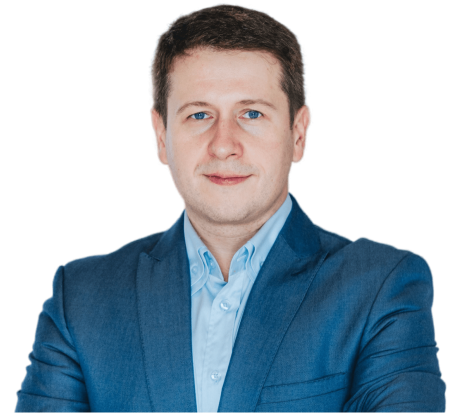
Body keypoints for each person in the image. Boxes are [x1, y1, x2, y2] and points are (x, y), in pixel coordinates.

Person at [15, 3, 446, 412]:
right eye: (199, 115)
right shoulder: (81, 298)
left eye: (252, 114)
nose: (224, 145)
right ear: (161, 137)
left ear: (298, 134)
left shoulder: (380, 288)